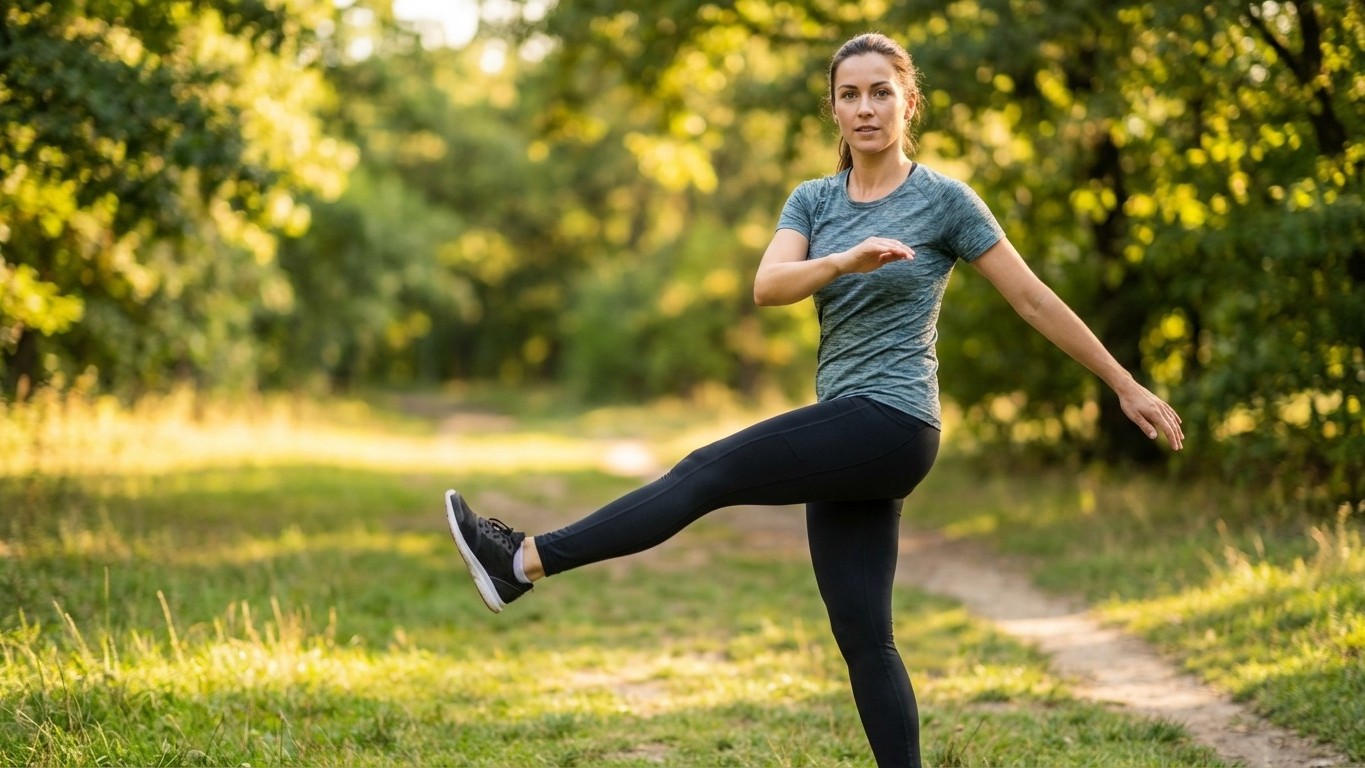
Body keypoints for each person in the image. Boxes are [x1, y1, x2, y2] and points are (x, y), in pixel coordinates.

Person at [443, 32, 1184, 768]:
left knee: (707, 471)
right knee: (864, 636)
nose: (865, 107)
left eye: (880, 92)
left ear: (907, 101)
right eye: (849, 94)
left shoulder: (944, 202)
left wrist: (1124, 384)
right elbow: (768, 287)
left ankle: (525, 561)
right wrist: (843, 259)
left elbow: (1029, 298)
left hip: (893, 422)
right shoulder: (814, 200)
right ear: (832, 109)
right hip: (849, 434)